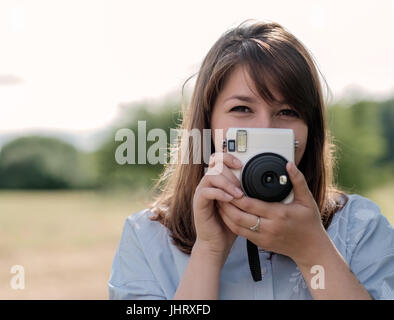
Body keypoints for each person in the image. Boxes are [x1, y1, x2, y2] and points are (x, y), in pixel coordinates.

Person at [108, 19, 394, 299]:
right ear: (208, 126)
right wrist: (208, 252)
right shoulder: (147, 239)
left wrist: (312, 252)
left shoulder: (358, 228)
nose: (265, 130)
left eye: (288, 112)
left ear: (311, 131)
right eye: (242, 108)